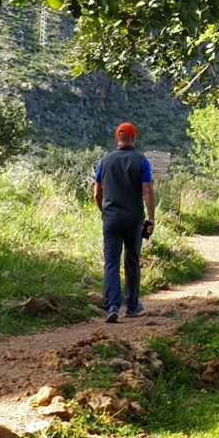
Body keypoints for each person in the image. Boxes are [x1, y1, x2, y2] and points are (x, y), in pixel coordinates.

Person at [93, 120, 157, 323]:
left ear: (116, 139)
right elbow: (147, 190)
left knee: (111, 262)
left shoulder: (104, 161)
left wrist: (105, 211)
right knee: (132, 261)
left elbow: (96, 193)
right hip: (134, 219)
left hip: (111, 219)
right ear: (134, 139)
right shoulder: (142, 161)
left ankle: (112, 305)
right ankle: (132, 306)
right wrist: (151, 218)